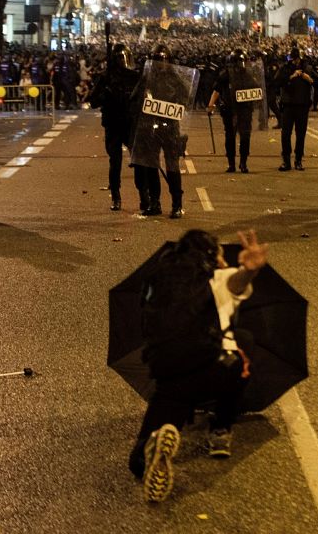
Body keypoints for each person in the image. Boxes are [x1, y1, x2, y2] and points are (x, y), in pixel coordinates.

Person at [128, 229, 269, 503]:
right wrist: (249, 270)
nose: (223, 260)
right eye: (219, 255)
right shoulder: (215, 279)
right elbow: (235, 282)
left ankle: (152, 448)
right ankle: (221, 427)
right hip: (213, 369)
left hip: (170, 378)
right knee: (242, 352)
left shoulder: (157, 285)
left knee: (137, 459)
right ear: (209, 257)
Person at [130, 44, 196, 219]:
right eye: (158, 60)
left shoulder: (175, 78)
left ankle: (176, 204)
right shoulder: (147, 78)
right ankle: (155, 202)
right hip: (151, 126)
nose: (161, 63)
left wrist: (175, 106)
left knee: (172, 166)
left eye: (164, 60)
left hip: (170, 127)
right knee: (152, 166)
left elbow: (186, 98)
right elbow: (135, 98)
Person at [89, 43, 140, 211]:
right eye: (119, 59)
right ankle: (116, 196)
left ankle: (144, 195)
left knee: (139, 160)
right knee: (115, 162)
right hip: (113, 124)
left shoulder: (134, 77)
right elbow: (93, 101)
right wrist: (106, 94)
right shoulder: (105, 78)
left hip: (130, 123)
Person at [206, 49, 259, 174]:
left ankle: (243, 163)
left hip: (244, 109)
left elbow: (256, 89)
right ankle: (232, 164)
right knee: (230, 137)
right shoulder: (226, 74)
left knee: (244, 136)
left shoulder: (248, 74)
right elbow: (217, 90)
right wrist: (211, 105)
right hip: (230, 110)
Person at [275, 47, 316, 171]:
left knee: (301, 134)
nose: (295, 62)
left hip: (302, 105)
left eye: (297, 60)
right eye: (293, 60)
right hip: (288, 105)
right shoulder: (285, 68)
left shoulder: (307, 68)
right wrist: (290, 77)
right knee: (286, 134)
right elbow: (277, 82)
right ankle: (286, 160)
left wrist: (308, 78)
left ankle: (298, 160)